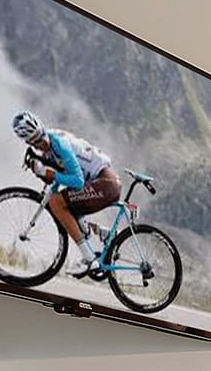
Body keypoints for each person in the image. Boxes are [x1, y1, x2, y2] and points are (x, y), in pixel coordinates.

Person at [10, 111, 126, 276]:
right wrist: (45, 175)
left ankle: (89, 259)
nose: (40, 143)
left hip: (107, 184)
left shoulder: (59, 144)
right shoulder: (49, 145)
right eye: (35, 142)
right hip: (102, 183)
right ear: (29, 143)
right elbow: (62, 172)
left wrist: (49, 173)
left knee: (57, 202)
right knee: (64, 203)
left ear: (42, 130)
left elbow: (77, 181)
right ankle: (104, 234)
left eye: (40, 138)